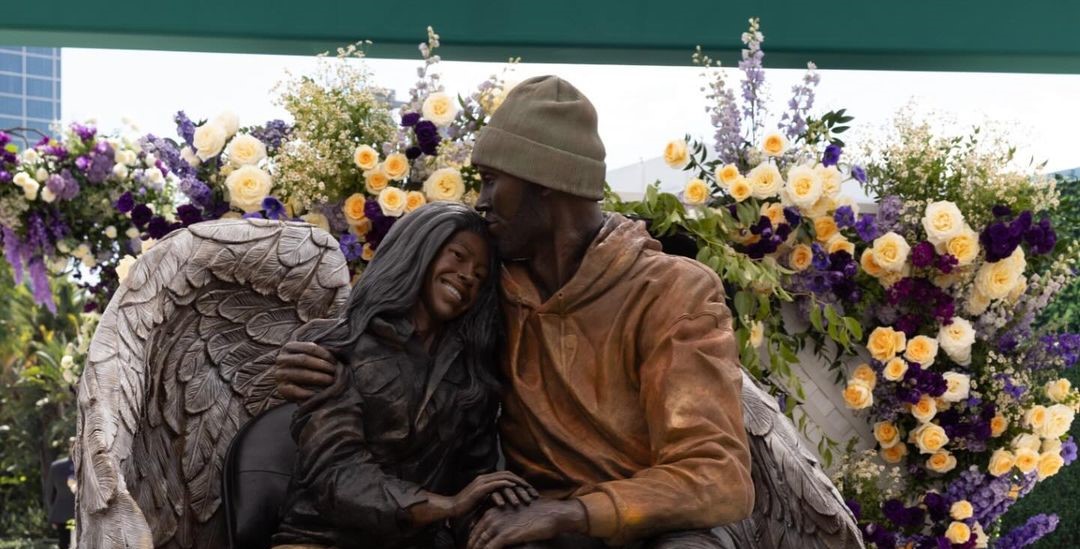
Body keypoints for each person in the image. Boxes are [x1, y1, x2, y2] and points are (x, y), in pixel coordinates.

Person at [277, 76, 754, 549]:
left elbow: (717, 475)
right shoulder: (489, 287)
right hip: (526, 519)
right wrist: (323, 356)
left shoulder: (674, 293)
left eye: (490, 182)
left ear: (544, 184)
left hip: (654, 528)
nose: (481, 203)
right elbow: (394, 331)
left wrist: (574, 513)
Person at [272, 202, 536, 549]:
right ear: (418, 250)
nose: (468, 275)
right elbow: (338, 476)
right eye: (458, 255)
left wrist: (499, 522)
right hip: (323, 539)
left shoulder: (473, 378)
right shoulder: (340, 345)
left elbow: (474, 481)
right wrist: (448, 505)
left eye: (480, 275)